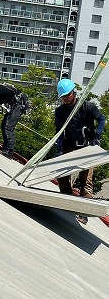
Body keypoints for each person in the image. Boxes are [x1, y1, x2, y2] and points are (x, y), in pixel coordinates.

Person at [55, 78, 106, 224]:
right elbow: (59, 131)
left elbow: (102, 119)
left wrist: (96, 136)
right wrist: (59, 149)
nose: (65, 99)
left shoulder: (86, 107)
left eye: (67, 96)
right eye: (62, 97)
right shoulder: (60, 111)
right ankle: (68, 206)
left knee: (86, 183)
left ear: (73, 93)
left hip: (86, 149)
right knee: (63, 179)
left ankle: (84, 213)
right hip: (69, 148)